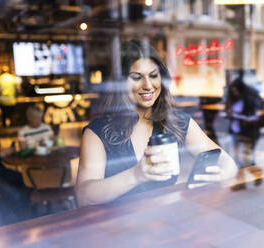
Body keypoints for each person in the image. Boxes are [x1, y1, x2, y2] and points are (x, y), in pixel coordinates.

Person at [76, 39, 238, 206]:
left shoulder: (177, 122)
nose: (148, 85)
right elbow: (84, 196)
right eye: (136, 77)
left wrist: (218, 176)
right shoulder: (97, 132)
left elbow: (228, 163)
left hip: (165, 224)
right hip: (116, 227)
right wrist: (136, 175)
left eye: (153, 75)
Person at [226, 73, 264, 191]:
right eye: (232, 90)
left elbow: (254, 118)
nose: (234, 92)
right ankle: (245, 180)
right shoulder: (234, 99)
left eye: (236, 90)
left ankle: (253, 175)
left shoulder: (250, 100)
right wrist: (229, 115)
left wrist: (237, 116)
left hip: (247, 133)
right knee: (239, 158)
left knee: (244, 159)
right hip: (236, 132)